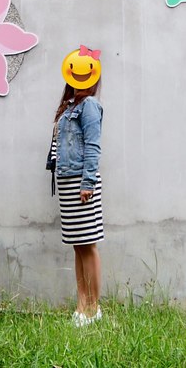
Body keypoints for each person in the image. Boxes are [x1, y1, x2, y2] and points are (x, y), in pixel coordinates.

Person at [51, 70, 104, 327]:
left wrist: (87, 183)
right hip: (67, 181)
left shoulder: (90, 105)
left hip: (82, 183)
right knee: (77, 244)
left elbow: (93, 145)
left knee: (88, 244)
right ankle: (81, 304)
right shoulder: (70, 106)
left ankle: (93, 308)